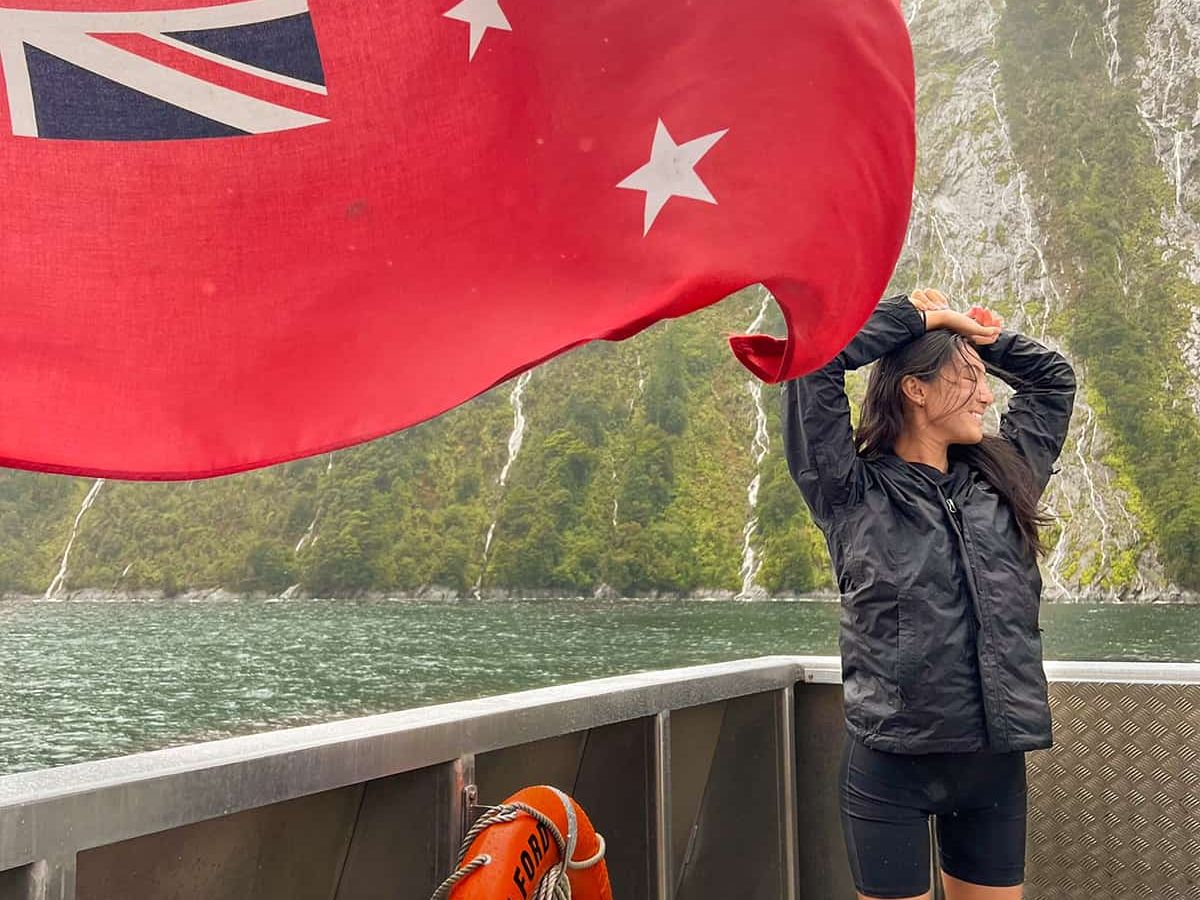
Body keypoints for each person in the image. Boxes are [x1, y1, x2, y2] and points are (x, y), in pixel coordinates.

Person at [782, 288, 1076, 900]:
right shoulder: (850, 490)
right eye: (969, 379)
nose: (989, 394)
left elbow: (1052, 381)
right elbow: (815, 363)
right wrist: (919, 320)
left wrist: (981, 340)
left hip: (993, 764)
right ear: (915, 390)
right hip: (891, 765)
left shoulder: (1004, 476)